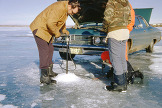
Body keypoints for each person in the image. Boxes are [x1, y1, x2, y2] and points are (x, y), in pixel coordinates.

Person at [30, 0, 80, 85]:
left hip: (47, 30)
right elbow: (50, 23)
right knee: (44, 50)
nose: (72, 14)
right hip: (40, 28)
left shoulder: (65, 10)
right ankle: (44, 77)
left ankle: (49, 72)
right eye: (72, 12)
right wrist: (57, 33)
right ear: (70, 6)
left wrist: (64, 30)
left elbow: (61, 21)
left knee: (50, 49)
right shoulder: (59, 7)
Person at [102, 0, 131, 92]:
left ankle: (119, 84)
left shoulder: (112, 2)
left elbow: (107, 17)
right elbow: (129, 19)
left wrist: (105, 28)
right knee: (122, 57)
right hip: (125, 32)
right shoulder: (126, 3)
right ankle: (124, 82)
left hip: (115, 32)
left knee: (115, 58)